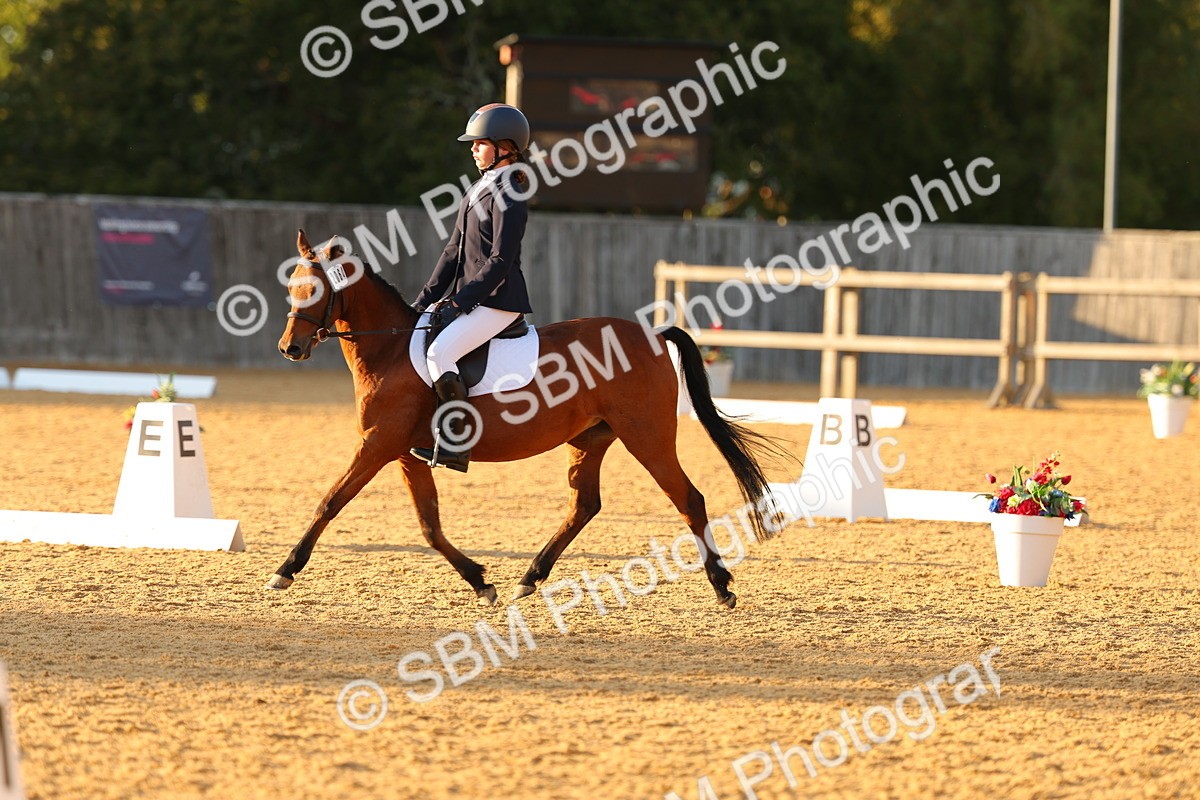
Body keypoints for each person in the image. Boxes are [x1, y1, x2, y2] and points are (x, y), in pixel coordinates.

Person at [409, 103, 534, 473]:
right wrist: (424, 300)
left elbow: (500, 261)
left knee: (439, 356)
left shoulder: (510, 192)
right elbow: (453, 252)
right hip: (474, 298)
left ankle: (455, 443)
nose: (472, 149)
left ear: (504, 145)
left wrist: (461, 302)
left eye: (479, 143)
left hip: (498, 301)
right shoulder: (480, 187)